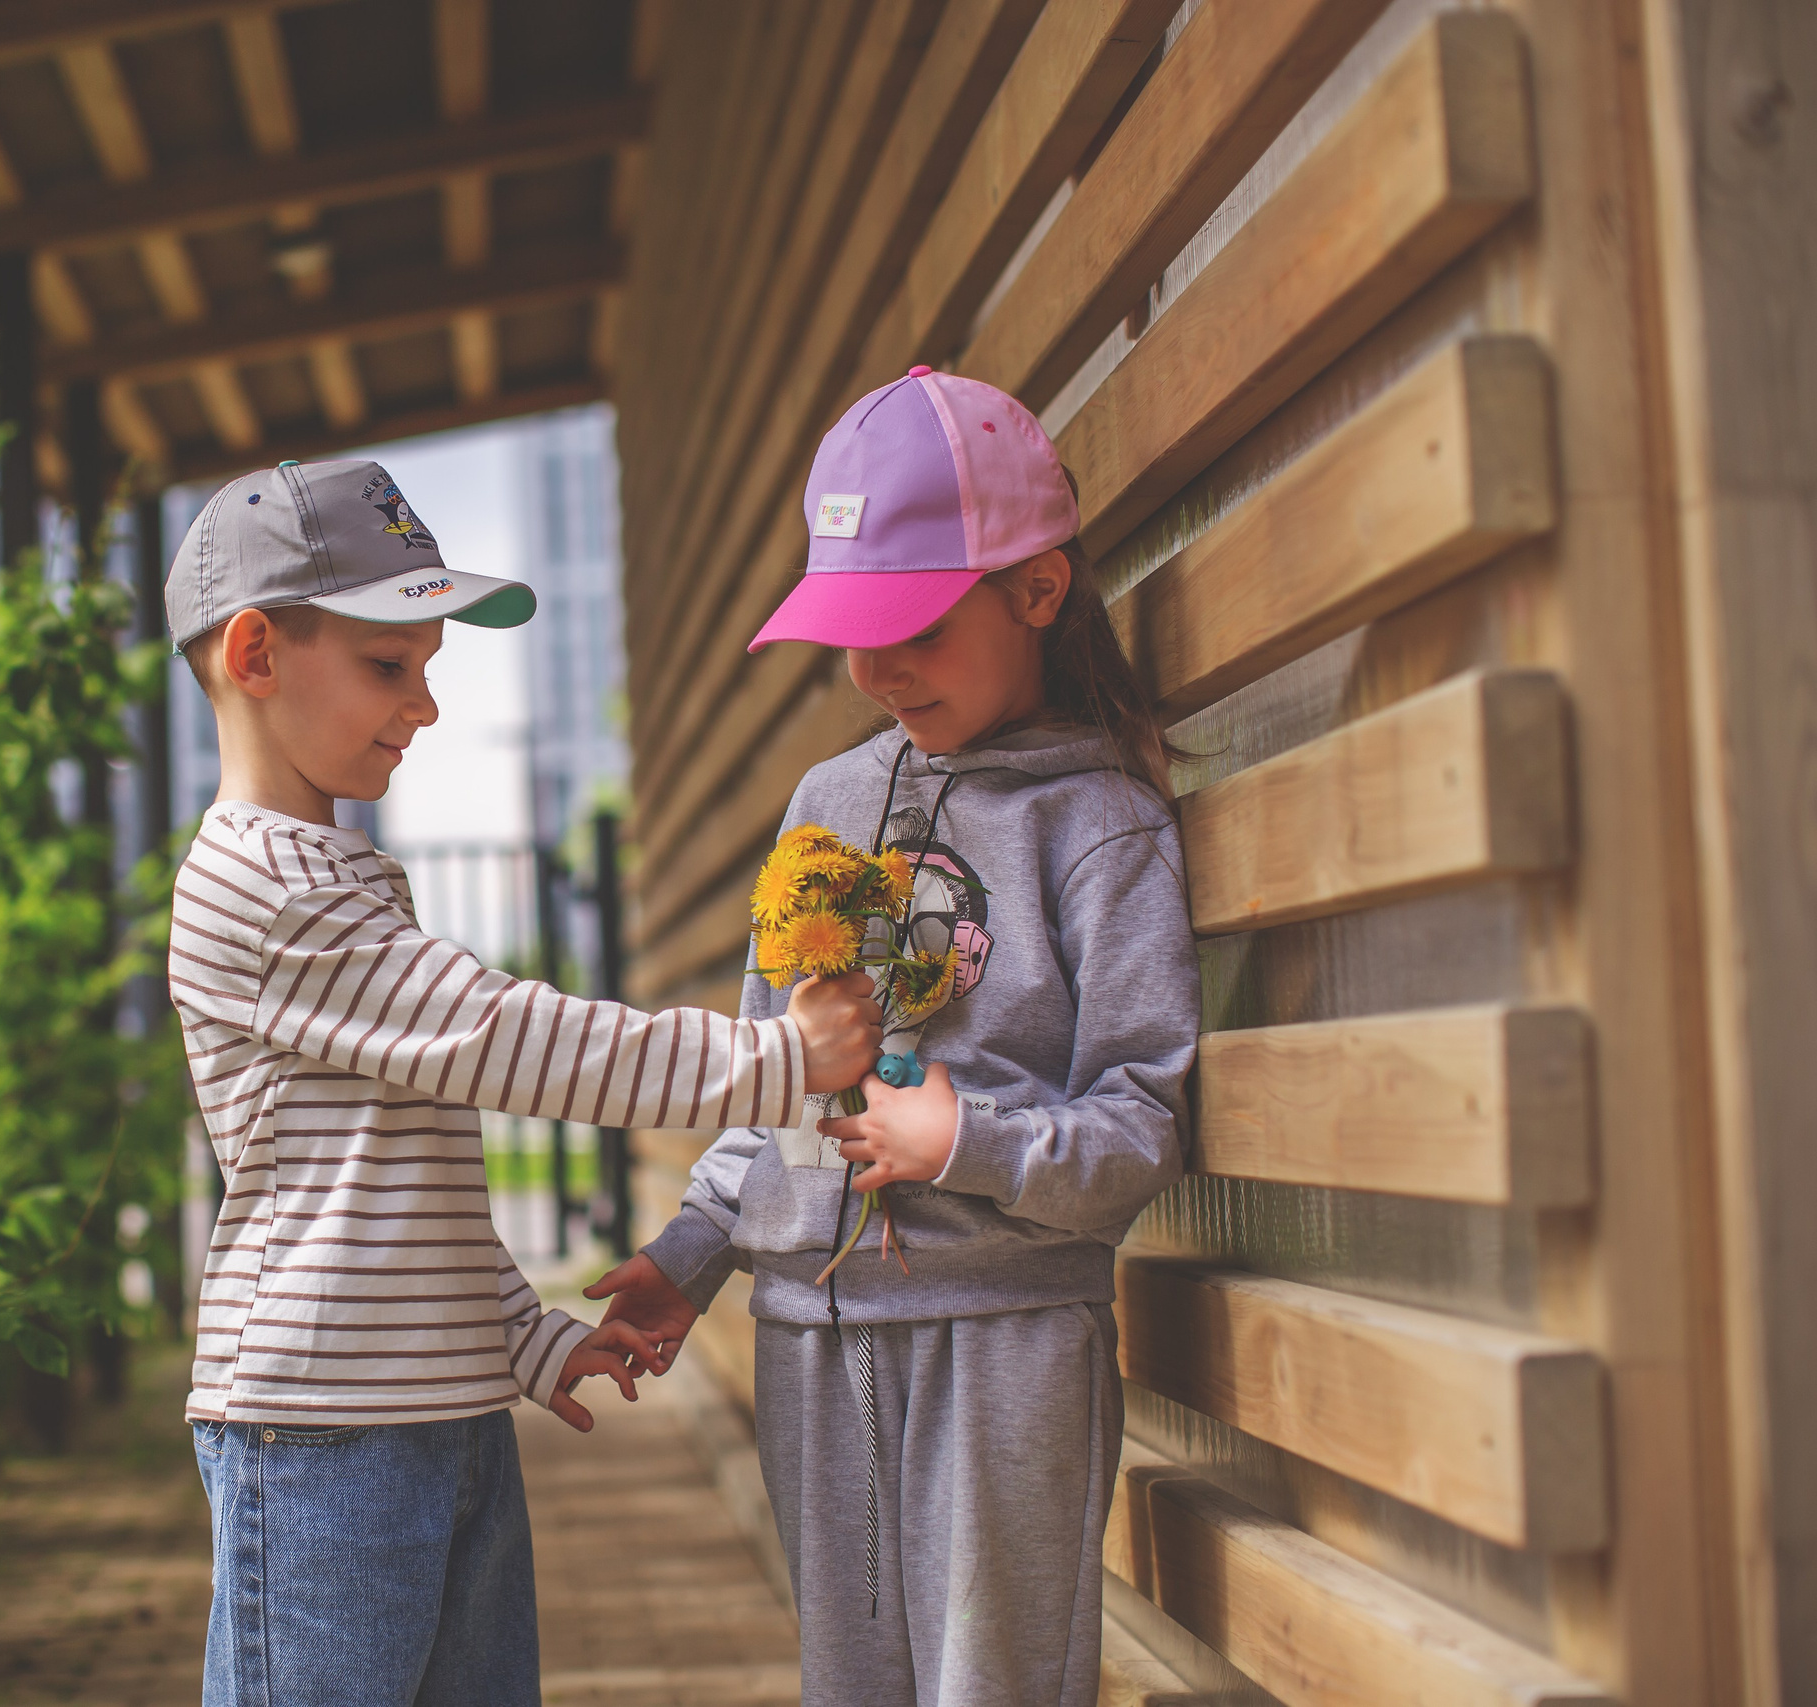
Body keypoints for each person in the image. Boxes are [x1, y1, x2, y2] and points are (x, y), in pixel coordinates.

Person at [162, 457, 884, 1707]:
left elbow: (402, 1189)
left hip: (432, 1421)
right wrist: (780, 1061)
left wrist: (524, 1339)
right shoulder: (264, 889)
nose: (426, 704)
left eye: (427, 667)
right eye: (391, 666)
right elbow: (514, 1040)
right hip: (321, 1432)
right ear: (256, 654)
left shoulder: (335, 876)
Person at [588, 369, 1201, 1707]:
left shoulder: (1098, 822)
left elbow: (1143, 1123)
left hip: (1006, 1336)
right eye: (851, 633)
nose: (874, 669)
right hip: (811, 1334)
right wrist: (695, 1251)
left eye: (911, 623)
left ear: (1038, 589)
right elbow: (770, 1070)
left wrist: (963, 1139)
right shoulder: (828, 797)